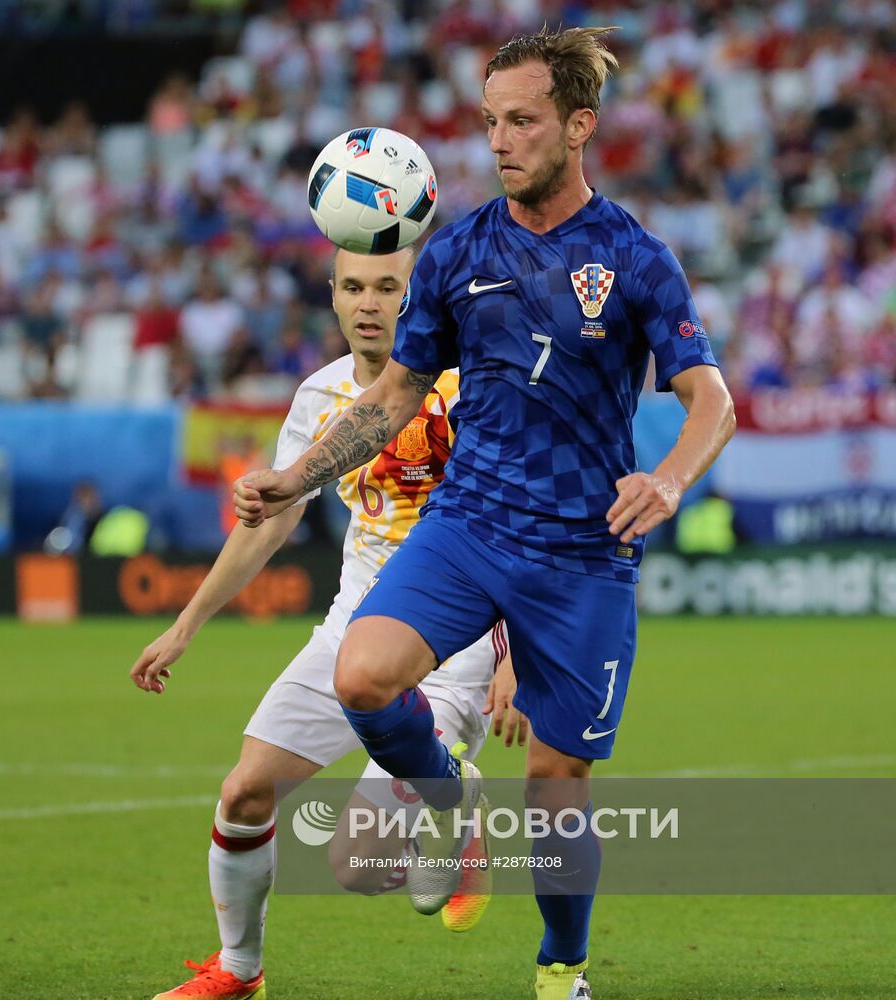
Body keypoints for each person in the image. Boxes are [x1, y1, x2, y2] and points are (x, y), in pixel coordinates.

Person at [233, 27, 736, 1000]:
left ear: (577, 125)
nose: (498, 140)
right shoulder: (458, 248)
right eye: (488, 121)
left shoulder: (632, 257)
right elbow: (388, 400)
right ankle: (445, 795)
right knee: (363, 676)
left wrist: (668, 478)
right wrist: (296, 476)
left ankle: (560, 967)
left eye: (521, 120)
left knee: (554, 788)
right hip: (465, 527)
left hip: (580, 554)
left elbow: (710, 398)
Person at [132, 246, 525, 1000]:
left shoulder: (463, 384)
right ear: (333, 297)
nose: (369, 302)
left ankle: (456, 795)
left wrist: (517, 653)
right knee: (244, 792)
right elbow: (267, 522)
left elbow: (513, 522)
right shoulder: (320, 395)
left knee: (360, 865)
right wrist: (185, 625)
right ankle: (239, 971)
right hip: (356, 622)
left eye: (387, 286)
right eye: (353, 287)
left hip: (456, 637)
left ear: (417, 297)